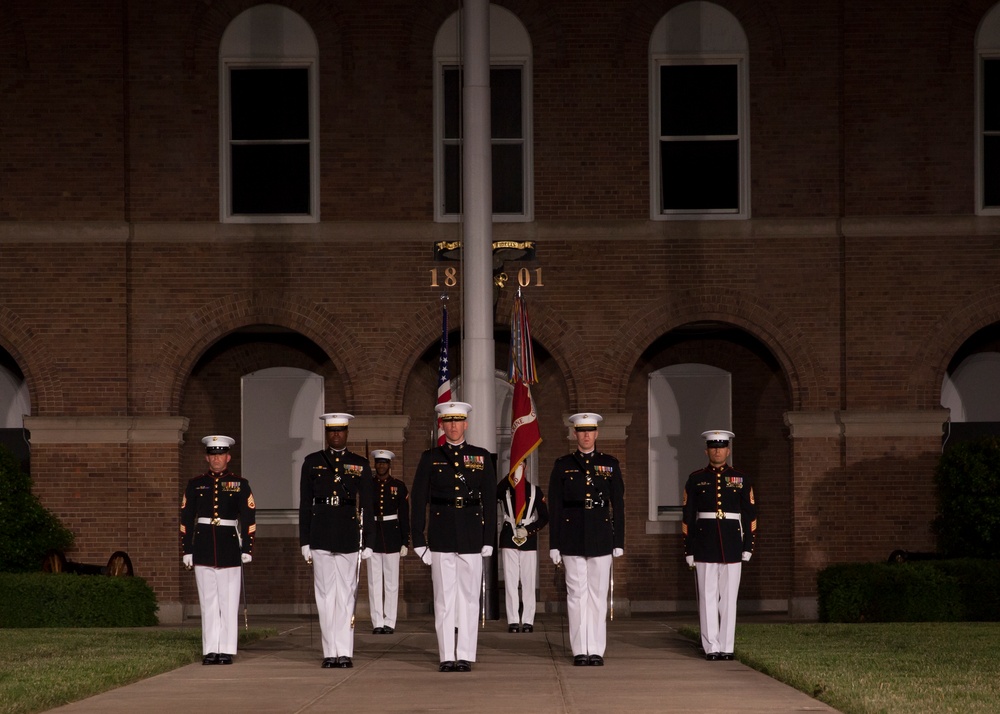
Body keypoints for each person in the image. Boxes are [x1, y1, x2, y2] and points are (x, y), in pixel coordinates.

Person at [411, 401, 497, 673]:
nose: (453, 426)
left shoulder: (481, 457)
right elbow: (418, 500)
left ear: (466, 424)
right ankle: (446, 655)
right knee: (444, 599)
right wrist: (418, 540)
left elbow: (490, 501)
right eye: (448, 422)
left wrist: (488, 539)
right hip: (441, 534)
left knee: (470, 599)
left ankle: (465, 655)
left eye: (458, 421)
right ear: (441, 425)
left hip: (471, 534)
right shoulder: (430, 457)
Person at [548, 412, 625, 667]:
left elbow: (619, 505)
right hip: (571, 535)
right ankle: (581, 649)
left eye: (590, 430)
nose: (586, 435)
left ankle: (597, 650)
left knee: (598, 595)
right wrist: (554, 544)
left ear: (597, 434)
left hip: (601, 534)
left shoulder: (610, 463)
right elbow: (556, 507)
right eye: (581, 431)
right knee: (576, 594)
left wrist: (619, 541)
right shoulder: (563, 464)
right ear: (574, 434)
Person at [299, 413, 375, 669]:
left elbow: (368, 506)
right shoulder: (312, 462)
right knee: (325, 595)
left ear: (347, 433)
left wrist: (369, 542)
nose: (336, 435)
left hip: (347, 534)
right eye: (331, 431)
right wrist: (304, 540)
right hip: (320, 533)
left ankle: (345, 651)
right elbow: (304, 505)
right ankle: (329, 651)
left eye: (340, 430)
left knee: (346, 594)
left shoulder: (359, 464)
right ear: (326, 433)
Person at [180, 435, 255, 665]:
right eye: (213, 455)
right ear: (207, 458)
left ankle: (227, 649)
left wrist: (248, 547)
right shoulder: (195, 483)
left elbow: (249, 516)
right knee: (208, 601)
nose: (217, 459)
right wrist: (187, 549)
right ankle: (211, 649)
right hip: (202, 547)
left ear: (228, 457)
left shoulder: (240, 484)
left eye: (221, 454)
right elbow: (186, 518)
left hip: (229, 547)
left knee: (229, 602)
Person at [682, 430, 757, 661]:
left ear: (728, 450)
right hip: (705, 543)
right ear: (707, 451)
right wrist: (689, 549)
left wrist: (748, 546)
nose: (717, 450)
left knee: (729, 598)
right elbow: (687, 515)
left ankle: (727, 646)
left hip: (733, 543)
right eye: (713, 447)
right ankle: (711, 646)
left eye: (721, 446)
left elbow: (750, 514)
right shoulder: (696, 478)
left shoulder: (740, 478)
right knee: (707, 597)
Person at [497, 463, 548, 633]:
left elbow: (544, 517)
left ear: (526, 468)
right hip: (508, 536)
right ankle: (512, 620)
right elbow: (492, 494)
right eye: (515, 466)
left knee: (528, 580)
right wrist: (508, 479)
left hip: (527, 537)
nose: (518, 469)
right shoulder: (505, 489)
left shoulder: (534, 491)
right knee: (511, 581)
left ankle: (527, 620)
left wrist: (530, 530)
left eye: (521, 466)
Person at [367, 449, 410, 635]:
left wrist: (404, 541)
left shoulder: (399, 486)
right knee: (374, 582)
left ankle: (389, 621)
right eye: (378, 462)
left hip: (392, 535)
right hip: (374, 536)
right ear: (375, 465)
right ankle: (377, 621)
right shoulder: (368, 485)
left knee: (391, 582)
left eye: (384, 463)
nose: (381, 466)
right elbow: (364, 513)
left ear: (389, 465)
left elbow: (404, 515)